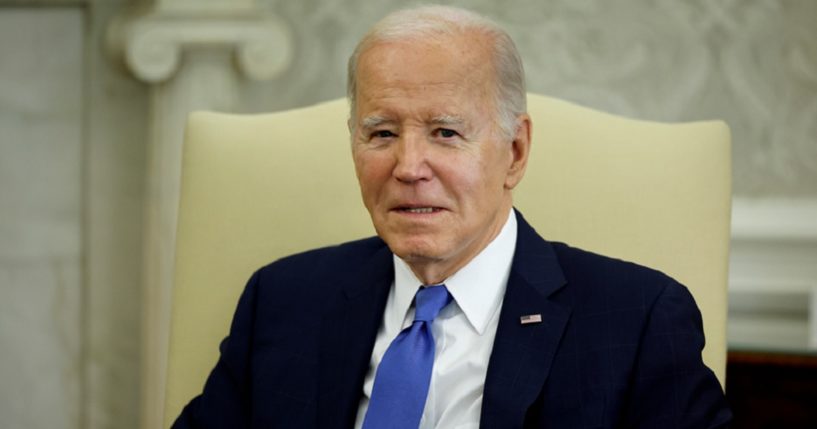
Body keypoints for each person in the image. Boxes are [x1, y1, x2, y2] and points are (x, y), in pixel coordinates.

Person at [172, 5, 731, 429]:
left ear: (514, 152)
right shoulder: (283, 301)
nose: (409, 166)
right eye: (382, 133)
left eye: (445, 132)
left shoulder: (636, 321)